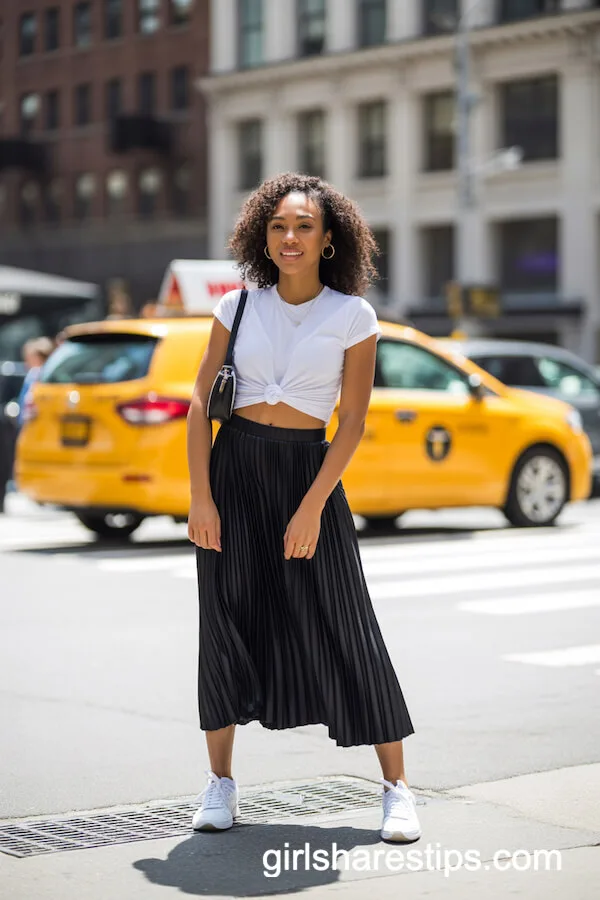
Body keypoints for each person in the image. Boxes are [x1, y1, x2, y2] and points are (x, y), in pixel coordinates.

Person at [186, 173, 420, 843]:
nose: (290, 237)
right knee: (224, 623)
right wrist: (201, 496)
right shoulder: (235, 307)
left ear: (327, 239)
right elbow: (202, 404)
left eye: (304, 227)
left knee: (348, 621)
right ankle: (221, 785)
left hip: (306, 476)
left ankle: (397, 789)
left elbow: (350, 423)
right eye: (279, 226)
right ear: (263, 236)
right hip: (234, 472)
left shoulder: (353, 316)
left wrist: (314, 505)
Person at [16, 337, 55, 428]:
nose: (26, 361)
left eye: (28, 357)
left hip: (32, 422)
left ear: (37, 357)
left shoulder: (34, 373)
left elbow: (27, 400)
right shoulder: (52, 372)